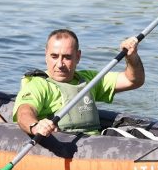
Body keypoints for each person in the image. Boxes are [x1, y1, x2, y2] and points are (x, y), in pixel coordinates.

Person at [13, 28, 144, 136]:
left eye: (67, 57)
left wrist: (132, 57)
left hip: (96, 143)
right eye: (54, 56)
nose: (60, 64)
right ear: (45, 55)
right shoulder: (38, 84)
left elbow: (133, 80)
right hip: (63, 144)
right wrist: (35, 126)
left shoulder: (90, 79)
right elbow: (24, 112)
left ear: (78, 56)